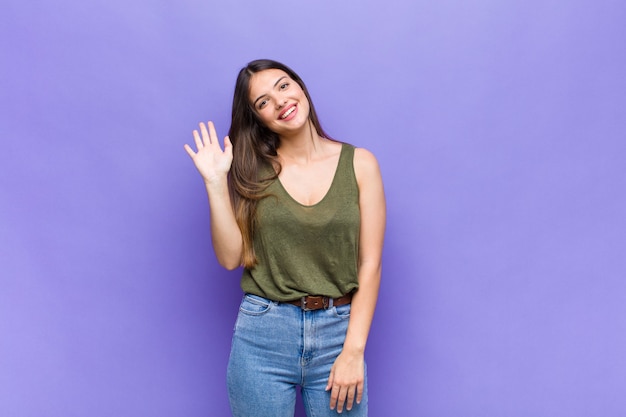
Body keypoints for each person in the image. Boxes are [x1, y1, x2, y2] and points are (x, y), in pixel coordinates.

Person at [184, 59, 385, 416]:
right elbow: (231, 258)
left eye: (282, 86)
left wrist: (353, 351)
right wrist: (216, 184)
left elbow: (369, 264)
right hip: (264, 335)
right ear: (258, 118)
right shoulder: (252, 172)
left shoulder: (360, 164)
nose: (279, 101)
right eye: (262, 102)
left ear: (300, 87)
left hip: (337, 333)